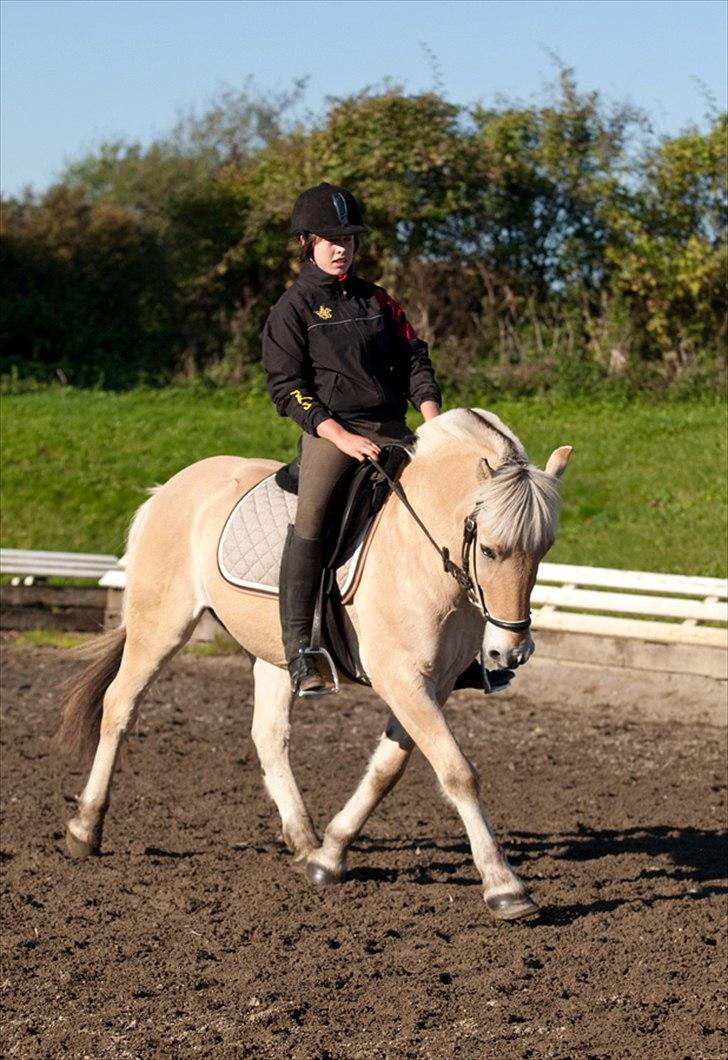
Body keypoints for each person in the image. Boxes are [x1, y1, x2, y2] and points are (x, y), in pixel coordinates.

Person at [263, 182, 442, 694]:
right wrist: (338, 435)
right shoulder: (291, 310)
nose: (343, 248)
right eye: (331, 239)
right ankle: (300, 650)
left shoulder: (377, 299)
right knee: (313, 517)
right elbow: (286, 388)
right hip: (331, 432)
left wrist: (433, 420)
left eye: (350, 239)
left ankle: (457, 647)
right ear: (307, 242)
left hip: (395, 429)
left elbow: (414, 357)